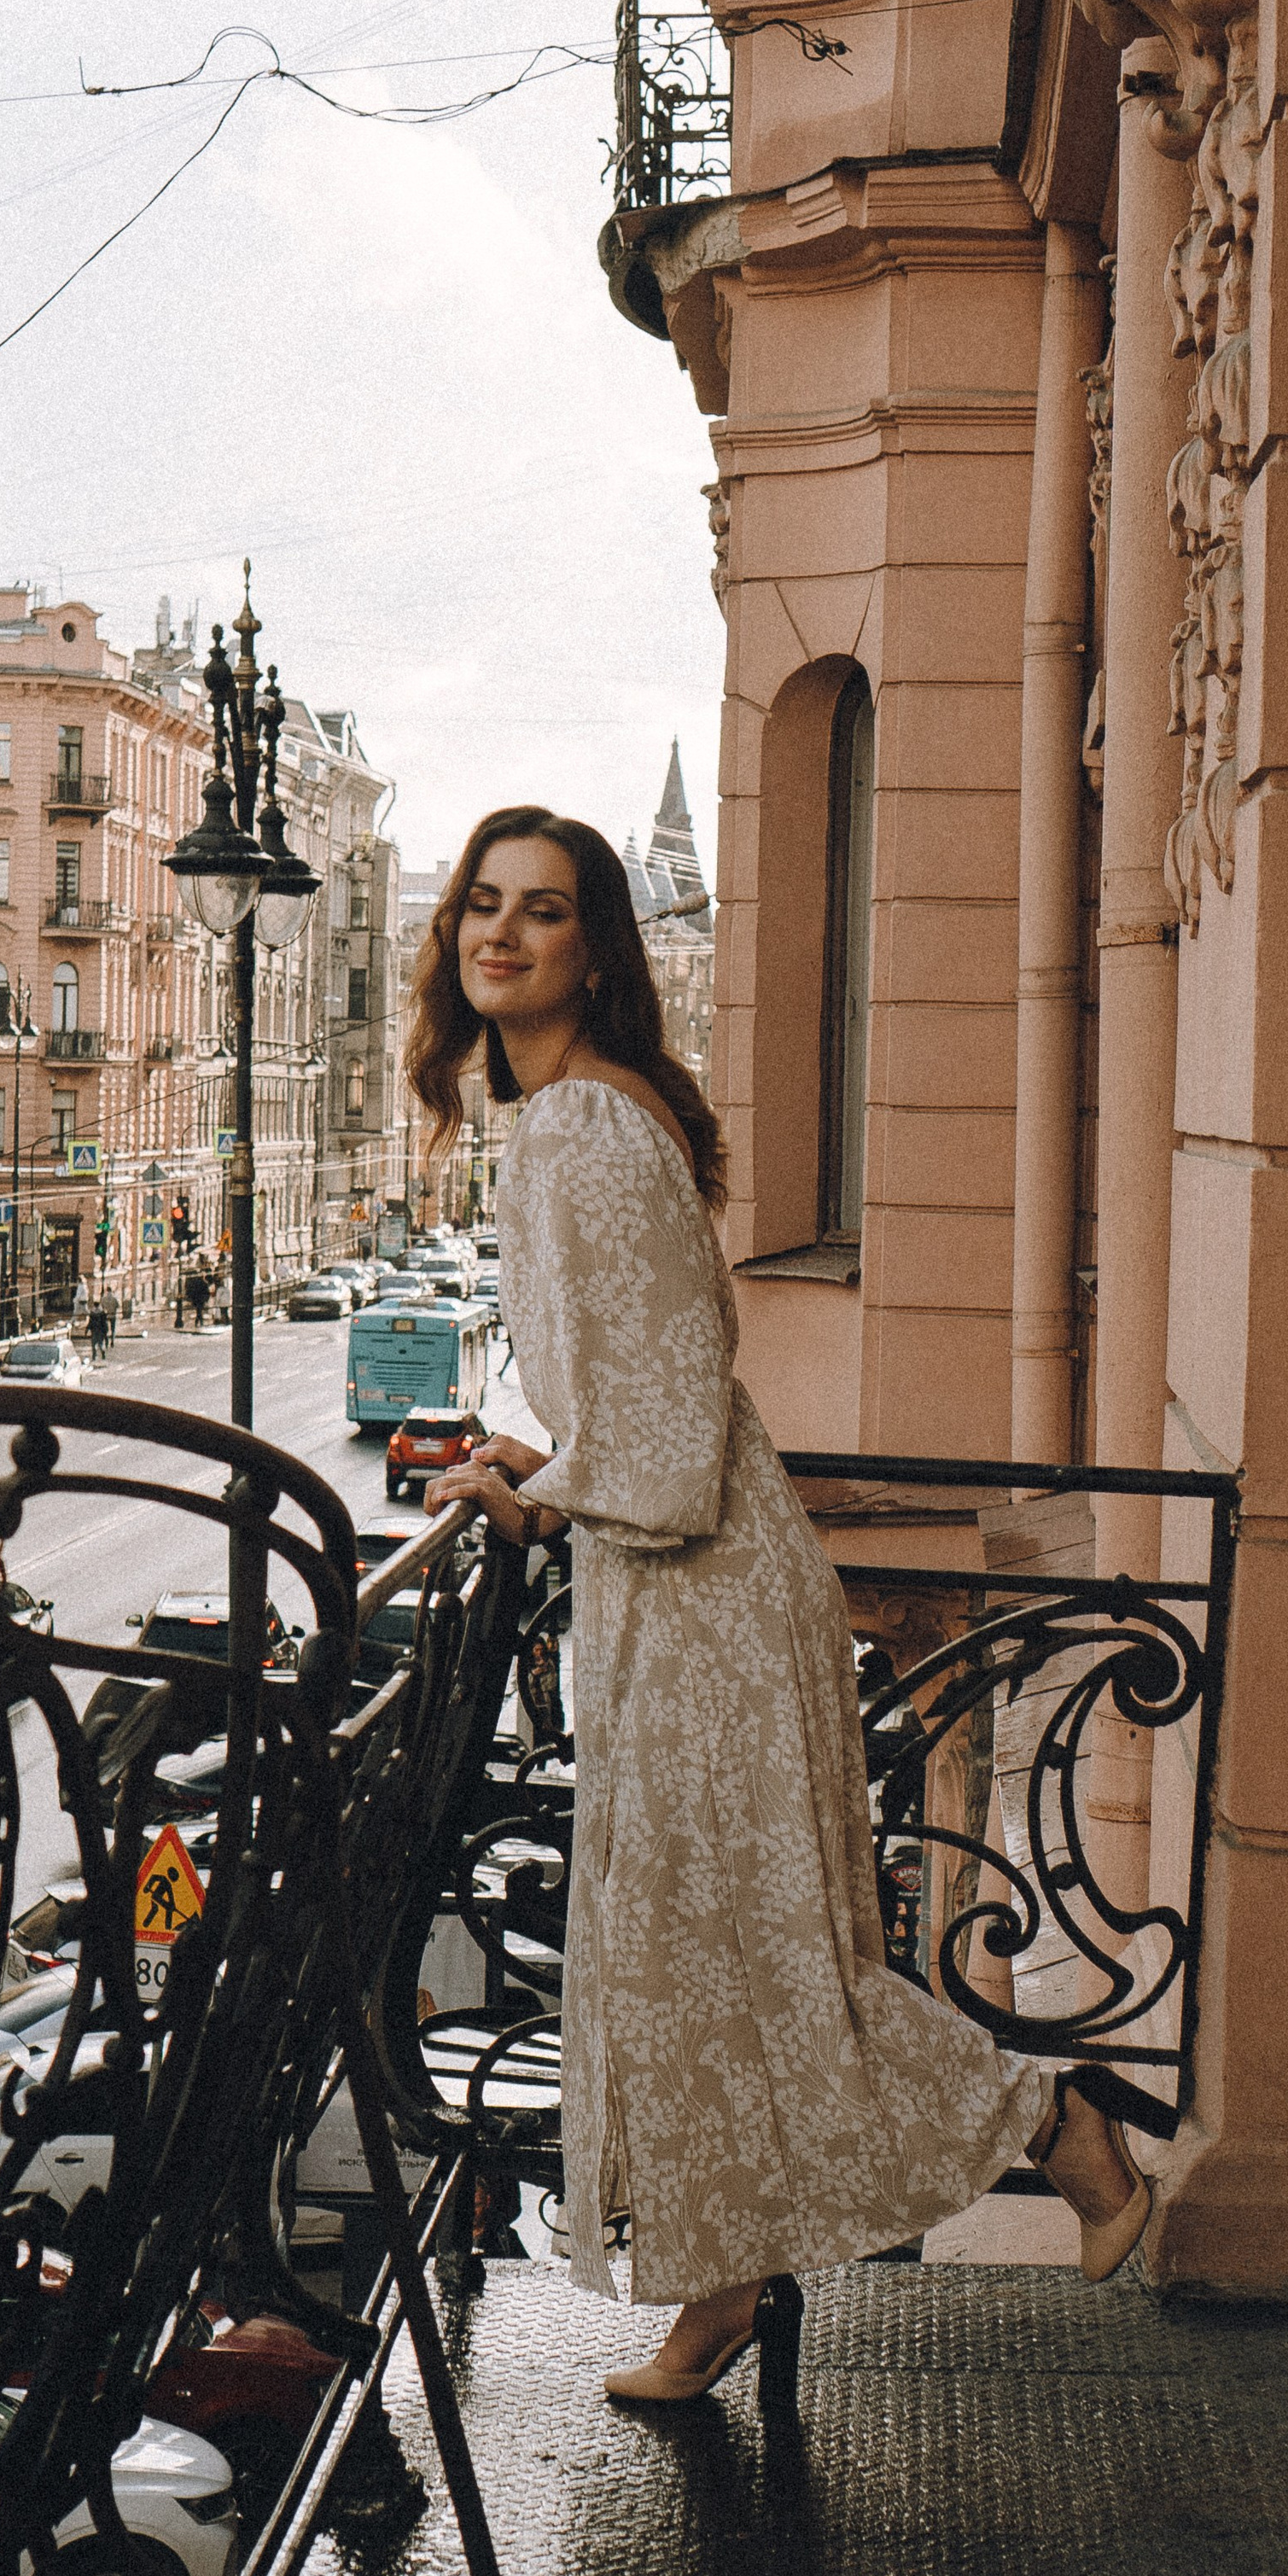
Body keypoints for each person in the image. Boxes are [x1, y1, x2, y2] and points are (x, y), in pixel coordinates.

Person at [409, 807, 1151, 2413]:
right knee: (691, 1971)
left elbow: (669, 1451)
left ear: (595, 952)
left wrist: (543, 1491)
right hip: (684, 1596)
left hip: (701, 1607)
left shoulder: (582, 1134)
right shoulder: (564, 1118)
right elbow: (659, 1393)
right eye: (481, 906)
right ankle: (722, 2290)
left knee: (761, 1969)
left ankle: (1059, 2132)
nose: (501, 936)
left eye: (541, 913)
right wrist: (554, 1454)